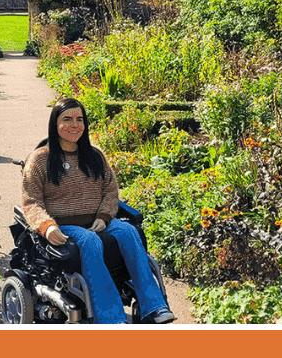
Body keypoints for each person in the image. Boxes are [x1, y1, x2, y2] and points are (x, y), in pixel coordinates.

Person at [22, 98, 175, 325]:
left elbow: (111, 191)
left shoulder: (94, 156)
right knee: (90, 241)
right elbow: (31, 201)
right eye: (67, 119)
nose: (74, 125)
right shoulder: (40, 160)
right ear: (55, 124)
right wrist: (47, 226)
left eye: (79, 119)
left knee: (128, 231)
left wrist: (104, 216)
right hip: (64, 223)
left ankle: (154, 307)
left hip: (97, 220)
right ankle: (110, 318)